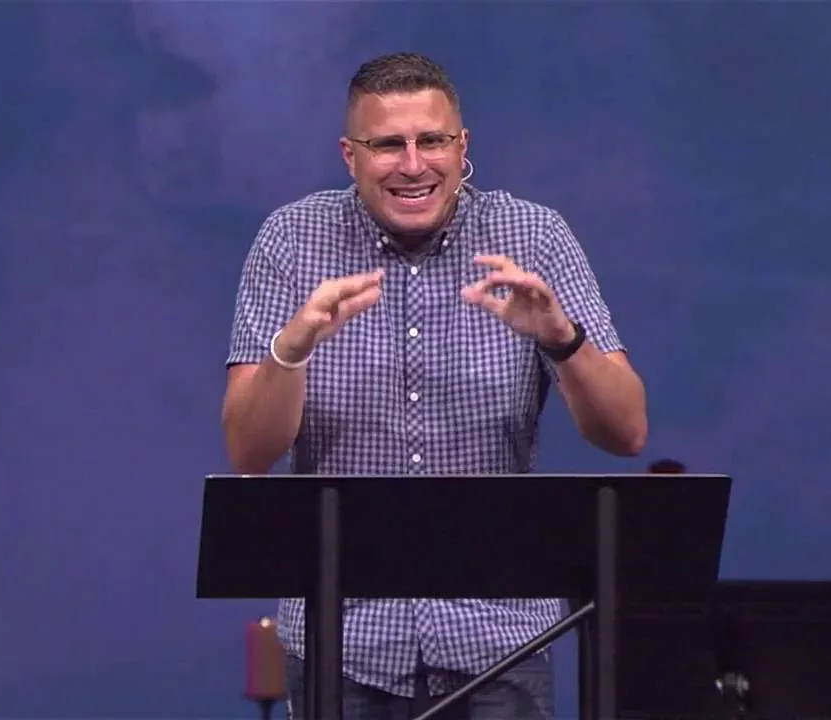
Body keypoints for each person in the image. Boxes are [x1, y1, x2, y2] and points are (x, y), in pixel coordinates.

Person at [222, 52, 647, 720]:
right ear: (350, 156)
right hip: (343, 645)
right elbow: (249, 453)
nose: (414, 165)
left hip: (500, 645)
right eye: (389, 145)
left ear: (462, 145)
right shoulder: (291, 241)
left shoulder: (535, 236)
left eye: (433, 141)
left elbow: (626, 432)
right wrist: (292, 350)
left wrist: (561, 340)